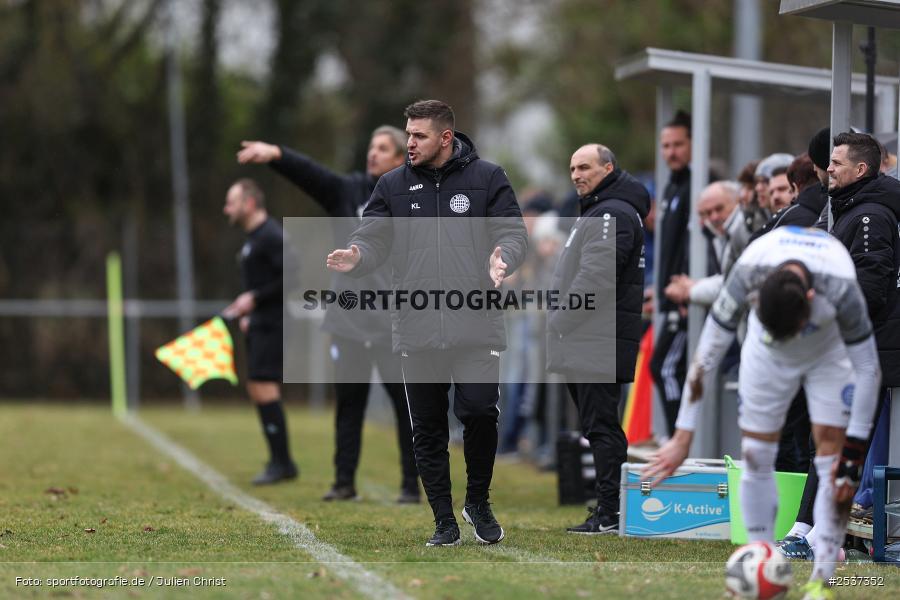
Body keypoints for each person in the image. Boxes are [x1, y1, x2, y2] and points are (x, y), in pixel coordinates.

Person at [326, 99, 528, 547]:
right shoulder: (391, 186)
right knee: (429, 427)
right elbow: (373, 237)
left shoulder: (488, 178)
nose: (409, 143)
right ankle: (443, 520)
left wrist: (504, 257)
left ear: (445, 138)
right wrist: (357, 256)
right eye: (408, 134)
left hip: (476, 324)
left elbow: (512, 232)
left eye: (417, 136)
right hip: (416, 327)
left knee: (478, 411)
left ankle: (477, 501)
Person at [644, 226, 881, 600]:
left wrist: (855, 444)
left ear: (811, 297)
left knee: (835, 466)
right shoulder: (748, 269)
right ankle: (759, 564)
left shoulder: (840, 286)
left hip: (826, 352)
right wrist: (682, 434)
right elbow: (706, 354)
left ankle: (822, 582)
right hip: (765, 351)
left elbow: (868, 368)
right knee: (756, 455)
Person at [236, 127, 421, 504]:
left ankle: (410, 486)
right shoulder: (347, 191)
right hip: (350, 321)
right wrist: (275, 152)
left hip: (392, 323)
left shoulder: (412, 197)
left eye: (383, 148)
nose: (373, 153)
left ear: (400, 158)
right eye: (371, 145)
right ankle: (343, 483)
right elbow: (310, 174)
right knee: (349, 407)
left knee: (406, 408)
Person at [547, 143, 648, 534]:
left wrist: (560, 319)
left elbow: (596, 277)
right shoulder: (603, 210)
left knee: (602, 426)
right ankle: (611, 510)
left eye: (585, 167)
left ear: (608, 168)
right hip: (589, 338)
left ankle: (611, 513)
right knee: (597, 425)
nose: (576, 175)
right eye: (572, 168)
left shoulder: (612, 213)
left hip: (595, 338)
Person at [222, 178, 299, 485]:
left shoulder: (270, 235)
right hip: (260, 321)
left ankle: (283, 463)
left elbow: (292, 277)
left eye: (231, 201)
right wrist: (249, 309)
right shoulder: (253, 238)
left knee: (264, 386)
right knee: (257, 387)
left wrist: (254, 299)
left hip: (274, 323)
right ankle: (280, 460)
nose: (226, 208)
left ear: (249, 203)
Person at [649, 110, 692, 434]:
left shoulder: (696, 185)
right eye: (665, 146)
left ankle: (679, 439)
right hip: (670, 297)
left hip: (687, 300)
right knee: (663, 366)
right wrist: (658, 288)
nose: (671, 152)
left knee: (663, 367)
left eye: (677, 144)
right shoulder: (671, 188)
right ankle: (674, 438)